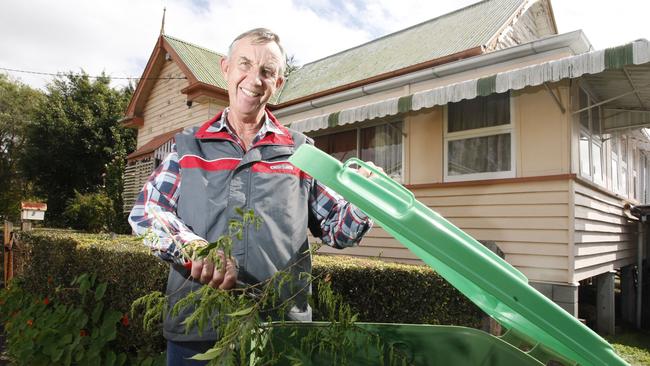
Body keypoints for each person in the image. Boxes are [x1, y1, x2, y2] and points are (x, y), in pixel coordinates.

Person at [129, 28, 380, 365]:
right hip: (197, 333)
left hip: (278, 334)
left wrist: (365, 199)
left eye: (267, 71)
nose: (254, 79)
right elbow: (147, 212)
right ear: (226, 68)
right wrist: (192, 248)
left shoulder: (300, 152)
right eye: (245, 64)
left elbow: (339, 228)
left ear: (278, 83)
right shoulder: (189, 146)